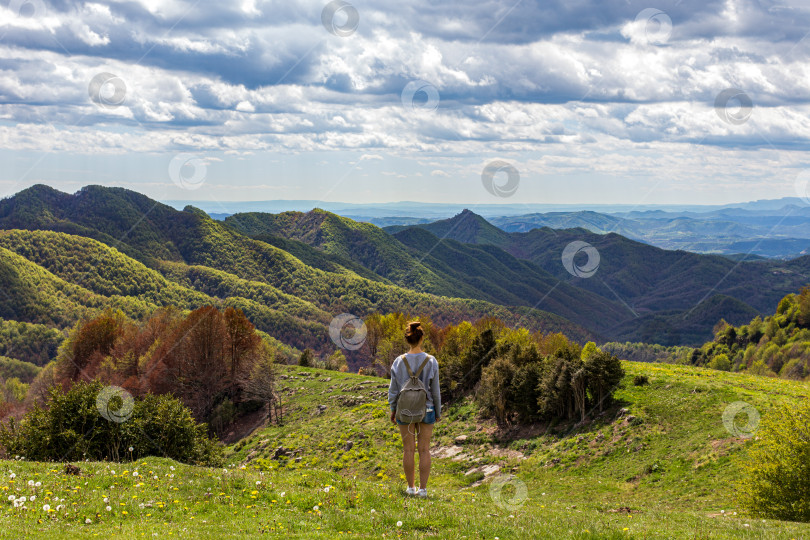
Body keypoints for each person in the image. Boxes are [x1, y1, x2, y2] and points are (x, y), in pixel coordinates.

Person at [388, 321, 441, 498]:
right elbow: (435, 391)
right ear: (422, 338)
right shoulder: (431, 361)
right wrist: (438, 412)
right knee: (424, 449)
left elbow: (393, 390)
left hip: (405, 410)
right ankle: (423, 490)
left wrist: (393, 409)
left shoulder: (398, 361)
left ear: (407, 339)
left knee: (408, 449)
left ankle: (410, 488)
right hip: (427, 409)